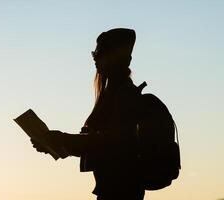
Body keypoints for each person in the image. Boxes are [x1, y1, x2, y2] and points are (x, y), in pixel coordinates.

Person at [31, 28, 145, 200]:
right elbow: (99, 142)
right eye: (95, 53)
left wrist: (62, 140)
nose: (95, 59)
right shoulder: (113, 93)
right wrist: (54, 145)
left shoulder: (124, 95)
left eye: (99, 53)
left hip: (120, 192)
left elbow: (109, 142)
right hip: (113, 189)